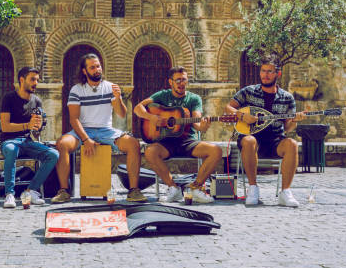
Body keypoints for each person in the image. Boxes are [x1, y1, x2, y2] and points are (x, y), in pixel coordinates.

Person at [52, 53, 147, 203]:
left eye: (98, 66)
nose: (97, 70)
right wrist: (86, 139)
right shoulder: (77, 90)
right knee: (62, 144)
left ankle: (134, 191)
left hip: (106, 130)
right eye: (92, 67)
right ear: (84, 71)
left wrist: (118, 98)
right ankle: (64, 191)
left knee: (133, 143)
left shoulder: (110, 87)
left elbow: (122, 114)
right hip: (83, 130)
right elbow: (73, 118)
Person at [225, 55, 305, 207]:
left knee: (292, 144)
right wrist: (242, 115)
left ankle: (285, 192)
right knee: (249, 140)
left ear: (278, 74)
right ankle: (253, 188)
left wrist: (294, 120)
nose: (265, 75)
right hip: (252, 137)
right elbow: (228, 107)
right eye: (263, 71)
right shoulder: (248, 91)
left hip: (275, 140)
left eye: (269, 71)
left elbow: (287, 128)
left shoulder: (287, 98)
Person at [134, 66, 221, 203]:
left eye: (184, 80)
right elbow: (138, 108)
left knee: (216, 150)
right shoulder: (162, 96)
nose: (181, 83)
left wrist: (203, 126)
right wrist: (151, 117)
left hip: (188, 141)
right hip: (166, 142)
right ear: (171, 82)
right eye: (178, 80)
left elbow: (197, 122)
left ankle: (196, 188)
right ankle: (173, 189)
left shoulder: (194, 99)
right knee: (150, 152)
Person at [0, 67, 59, 208]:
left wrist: (38, 127)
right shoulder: (8, 98)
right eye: (32, 79)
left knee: (53, 154)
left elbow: (35, 132)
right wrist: (27, 125)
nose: (36, 83)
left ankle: (30, 191)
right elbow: (5, 127)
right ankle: (9, 194)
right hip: (9, 142)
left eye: (37, 80)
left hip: (27, 142)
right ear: (22, 80)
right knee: (12, 150)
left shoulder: (37, 101)